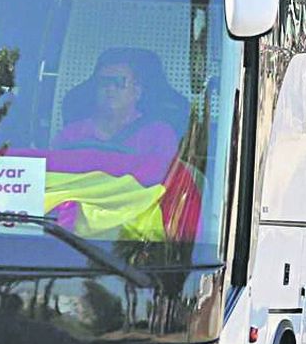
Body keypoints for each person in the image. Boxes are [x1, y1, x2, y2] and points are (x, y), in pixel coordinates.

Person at [53, 47, 198, 241]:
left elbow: (168, 189)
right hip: (74, 233)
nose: (110, 89)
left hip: (134, 234)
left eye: (119, 82)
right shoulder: (71, 134)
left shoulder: (159, 134)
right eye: (103, 82)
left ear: (137, 91)